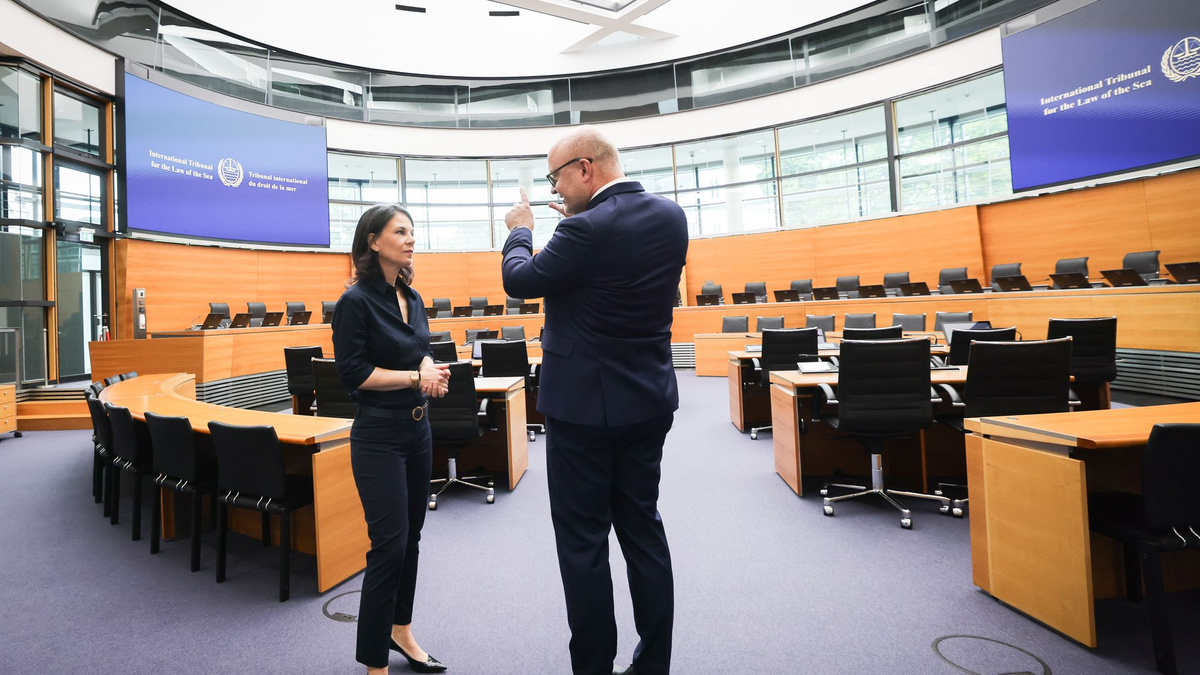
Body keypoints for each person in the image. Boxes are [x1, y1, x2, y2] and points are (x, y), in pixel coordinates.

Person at [501, 126, 689, 675]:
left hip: (582, 411)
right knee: (642, 529)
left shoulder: (582, 233)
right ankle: (654, 664)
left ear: (585, 169)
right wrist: (572, 224)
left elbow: (521, 279)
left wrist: (521, 231)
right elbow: (610, 265)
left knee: (583, 545)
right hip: (647, 401)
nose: (554, 188)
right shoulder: (670, 216)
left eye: (555, 177)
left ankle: (593, 667)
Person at [332, 204, 452, 675]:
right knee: (389, 543)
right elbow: (353, 374)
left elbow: (419, 355)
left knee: (413, 538)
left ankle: (401, 629)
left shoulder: (414, 297)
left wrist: (430, 374)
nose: (410, 239)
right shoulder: (356, 302)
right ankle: (374, 663)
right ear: (373, 242)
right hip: (378, 435)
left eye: (413, 232)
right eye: (400, 232)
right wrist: (411, 376)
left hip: (418, 430)